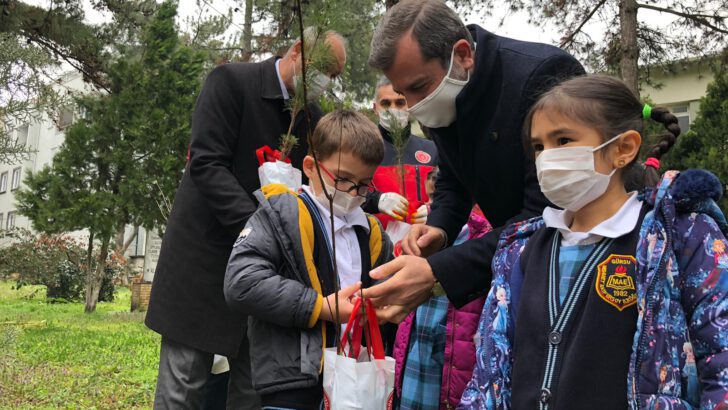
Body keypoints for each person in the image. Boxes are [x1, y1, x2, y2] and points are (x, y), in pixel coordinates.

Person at [459, 75, 728, 409]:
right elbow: (490, 369)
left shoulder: (681, 237)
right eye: (539, 146)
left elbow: (721, 356)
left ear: (623, 149)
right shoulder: (520, 248)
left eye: (563, 140)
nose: (547, 158)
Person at [145, 30, 347, 409]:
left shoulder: (312, 120)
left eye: (334, 76)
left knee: (253, 392)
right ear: (297, 51)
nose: (326, 82)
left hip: (265, 277)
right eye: (323, 69)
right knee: (183, 388)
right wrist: (263, 227)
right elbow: (206, 163)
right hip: (204, 264)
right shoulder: (231, 83)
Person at [362, 0, 585, 321]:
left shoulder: (542, 77)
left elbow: (550, 213)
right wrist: (439, 228)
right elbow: (454, 175)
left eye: (418, 88)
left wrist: (436, 271)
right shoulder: (441, 93)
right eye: (400, 92)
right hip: (520, 263)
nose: (411, 107)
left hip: (575, 268)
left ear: (463, 55)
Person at [224, 109, 393, 409]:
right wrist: (321, 307)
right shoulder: (281, 213)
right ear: (311, 166)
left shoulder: (373, 232)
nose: (353, 193)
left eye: (364, 185)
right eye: (342, 179)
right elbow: (242, 282)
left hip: (355, 382)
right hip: (294, 383)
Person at [362, 77, 438, 228]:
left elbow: (451, 193)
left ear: (410, 105)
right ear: (375, 108)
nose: (393, 108)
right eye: (386, 103)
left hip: (426, 241)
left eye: (400, 102)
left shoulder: (432, 150)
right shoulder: (361, 150)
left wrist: (435, 209)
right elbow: (346, 196)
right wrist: (376, 201)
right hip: (377, 243)